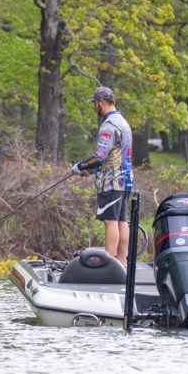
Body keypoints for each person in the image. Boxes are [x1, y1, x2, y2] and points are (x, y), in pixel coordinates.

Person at [71, 86, 134, 263]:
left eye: (95, 103)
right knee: (122, 221)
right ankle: (121, 263)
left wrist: (80, 166)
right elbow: (114, 154)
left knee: (110, 221)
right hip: (125, 181)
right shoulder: (123, 122)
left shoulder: (108, 125)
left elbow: (100, 156)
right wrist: (91, 169)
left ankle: (109, 263)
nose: (95, 107)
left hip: (111, 182)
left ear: (101, 102)